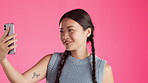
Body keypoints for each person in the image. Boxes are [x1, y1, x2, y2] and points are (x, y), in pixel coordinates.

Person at [0, 9, 114, 83]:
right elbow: (21, 81)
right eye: (61, 31)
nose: (65, 36)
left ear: (88, 32)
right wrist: (3, 59)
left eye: (70, 30)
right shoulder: (52, 62)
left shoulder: (103, 69)